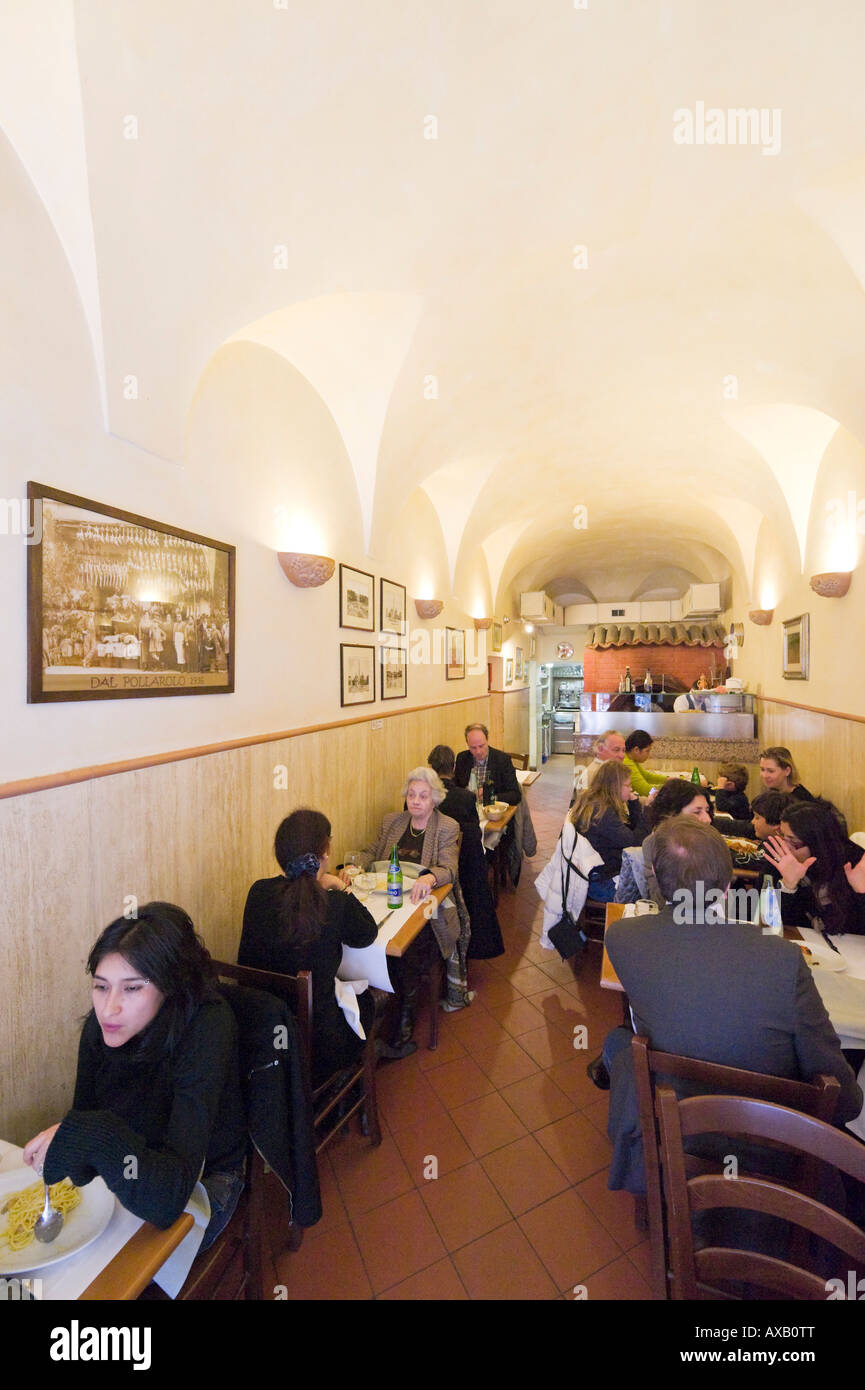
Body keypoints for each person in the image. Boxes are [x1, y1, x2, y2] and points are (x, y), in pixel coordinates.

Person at [593, 820, 862, 1193]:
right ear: (727, 885)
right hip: (768, 1143)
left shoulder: (622, 937)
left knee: (617, 1042)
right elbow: (844, 1100)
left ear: (655, 875)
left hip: (672, 1121)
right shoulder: (781, 959)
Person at [23, 904, 246, 1250]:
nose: (108, 1008)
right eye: (101, 986)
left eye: (132, 988)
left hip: (204, 1180)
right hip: (133, 1168)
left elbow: (170, 1196)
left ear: (170, 988)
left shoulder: (207, 1028)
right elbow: (87, 1125)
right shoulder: (100, 1029)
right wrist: (72, 1145)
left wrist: (93, 1137)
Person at [239, 809, 379, 1085]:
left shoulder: (258, 892)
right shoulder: (334, 903)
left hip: (260, 1035)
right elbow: (367, 933)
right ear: (325, 853)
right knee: (369, 999)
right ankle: (346, 1082)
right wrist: (340, 886)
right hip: (319, 1046)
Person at [362, 767, 464, 1052]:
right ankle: (375, 1009)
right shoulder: (393, 822)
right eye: (411, 795)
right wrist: (353, 865)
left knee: (409, 948)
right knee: (369, 938)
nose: (416, 801)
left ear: (435, 799)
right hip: (387, 899)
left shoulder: (446, 827)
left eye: (423, 796)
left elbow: (449, 868)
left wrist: (430, 877)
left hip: (426, 910)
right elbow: (371, 852)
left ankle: (404, 1016)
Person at [428, 745, 503, 959]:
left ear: (431, 768)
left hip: (429, 864)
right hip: (463, 865)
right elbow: (473, 836)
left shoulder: (422, 798)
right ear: (453, 767)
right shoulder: (464, 798)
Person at [762, 798, 865, 937]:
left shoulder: (853, 862)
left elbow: (856, 930)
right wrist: (787, 886)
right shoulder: (780, 856)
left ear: (819, 843)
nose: (785, 846)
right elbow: (767, 921)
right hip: (803, 941)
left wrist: (861, 894)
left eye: (794, 841)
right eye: (782, 836)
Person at [615, 777, 711, 905]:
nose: (707, 819)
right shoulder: (654, 844)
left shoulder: (708, 842)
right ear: (672, 815)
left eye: (707, 811)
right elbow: (660, 901)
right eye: (697, 812)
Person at [569, 760, 647, 903]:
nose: (631, 789)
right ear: (615, 787)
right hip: (599, 882)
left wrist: (633, 802)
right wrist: (646, 815)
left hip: (593, 872)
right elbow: (634, 842)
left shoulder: (596, 802)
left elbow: (630, 832)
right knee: (647, 893)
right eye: (628, 785)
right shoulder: (602, 812)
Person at [453, 724, 521, 805]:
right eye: (473, 748)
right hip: (469, 809)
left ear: (487, 740)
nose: (478, 752)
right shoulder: (462, 758)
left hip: (495, 809)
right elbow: (455, 787)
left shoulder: (502, 760)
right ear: (467, 744)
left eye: (481, 746)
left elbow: (515, 795)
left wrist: (490, 797)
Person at [622, 731, 668, 801]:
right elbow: (644, 789)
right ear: (636, 750)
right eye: (647, 751)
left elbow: (646, 776)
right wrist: (663, 793)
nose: (649, 755)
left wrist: (667, 779)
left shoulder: (631, 759)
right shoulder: (626, 763)